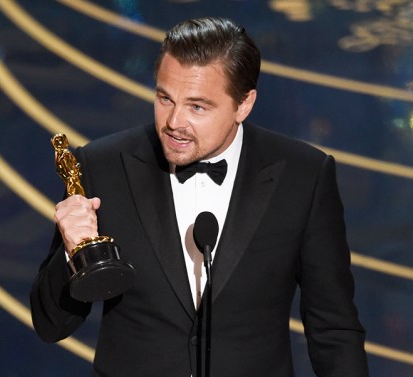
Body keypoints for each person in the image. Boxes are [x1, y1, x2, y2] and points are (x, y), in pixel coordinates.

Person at [31, 17, 369, 377]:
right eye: (165, 98)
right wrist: (71, 252)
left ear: (244, 104)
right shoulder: (102, 166)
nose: (174, 122)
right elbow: (51, 325)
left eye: (197, 107)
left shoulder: (303, 176)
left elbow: (334, 330)